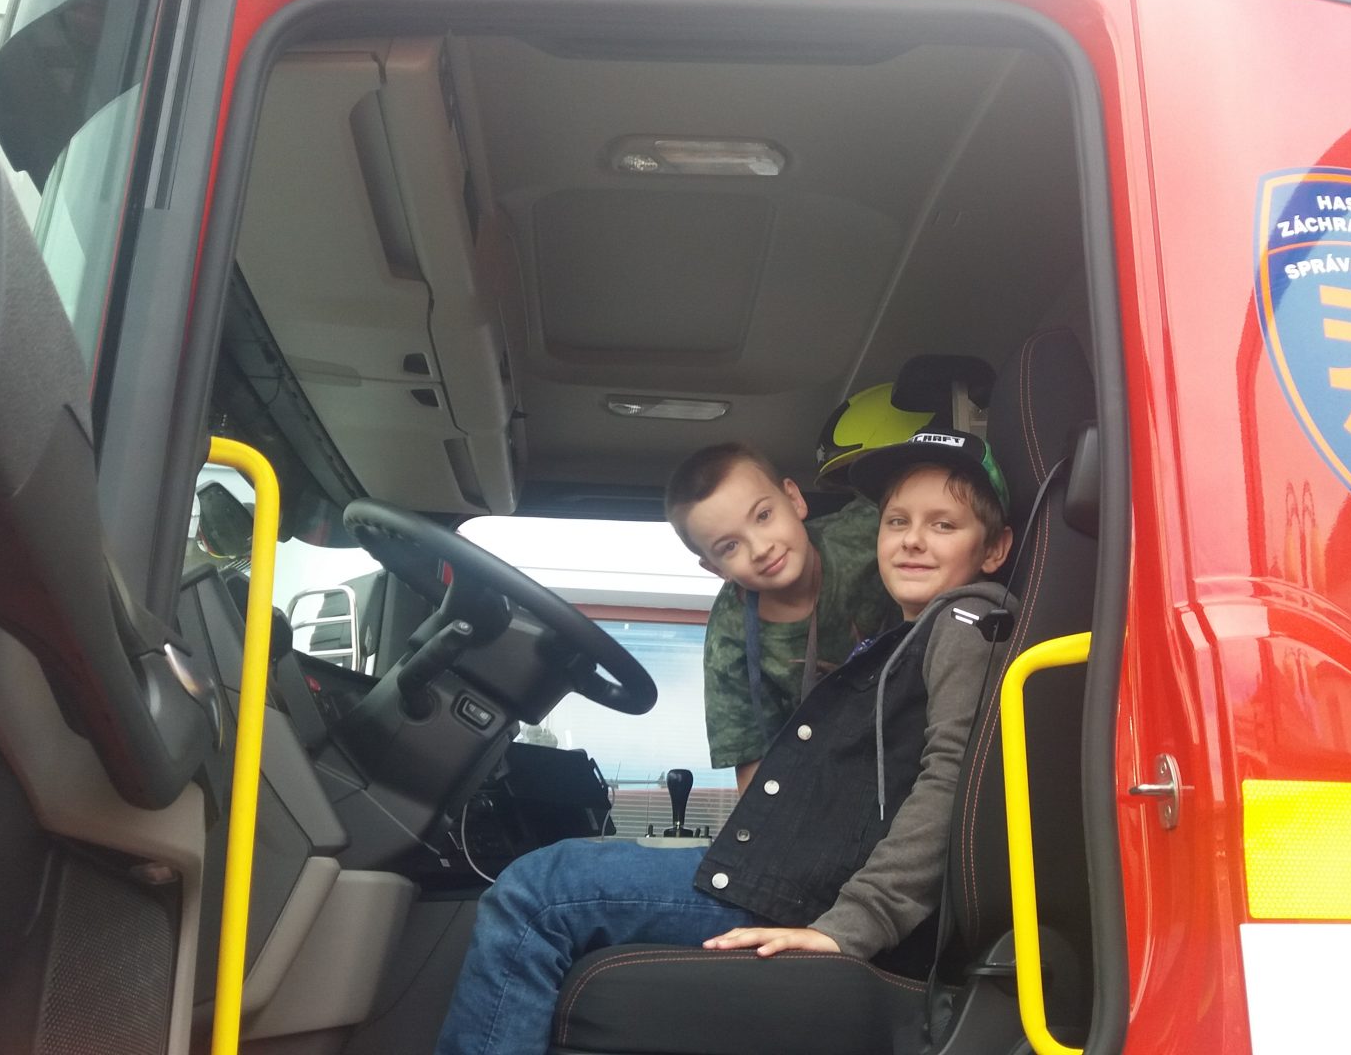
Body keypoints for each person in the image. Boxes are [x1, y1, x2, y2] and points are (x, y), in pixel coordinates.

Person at [434, 429, 1016, 1055]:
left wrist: (853, 925)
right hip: (797, 867)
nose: (911, 539)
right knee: (551, 880)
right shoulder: (761, 641)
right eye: (896, 521)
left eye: (943, 525)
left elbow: (950, 782)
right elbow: (759, 782)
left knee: (536, 892)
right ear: (710, 567)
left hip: (817, 892)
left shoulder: (964, 622)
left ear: (994, 548)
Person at [666, 436, 903, 792]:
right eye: (730, 546)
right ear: (716, 569)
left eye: (763, 516)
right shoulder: (728, 642)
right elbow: (753, 766)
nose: (761, 548)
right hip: (832, 774)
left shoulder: (870, 528)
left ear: (794, 499)